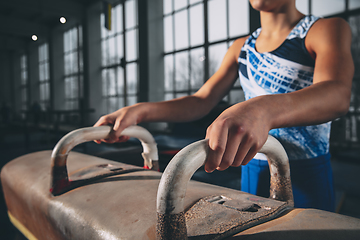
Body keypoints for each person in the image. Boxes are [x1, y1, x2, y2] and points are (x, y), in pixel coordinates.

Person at [94, 0, 353, 211]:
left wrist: (263, 109)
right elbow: (201, 101)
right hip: (251, 168)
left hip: (306, 172)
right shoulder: (242, 47)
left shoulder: (324, 29)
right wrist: (141, 111)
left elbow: (336, 94)